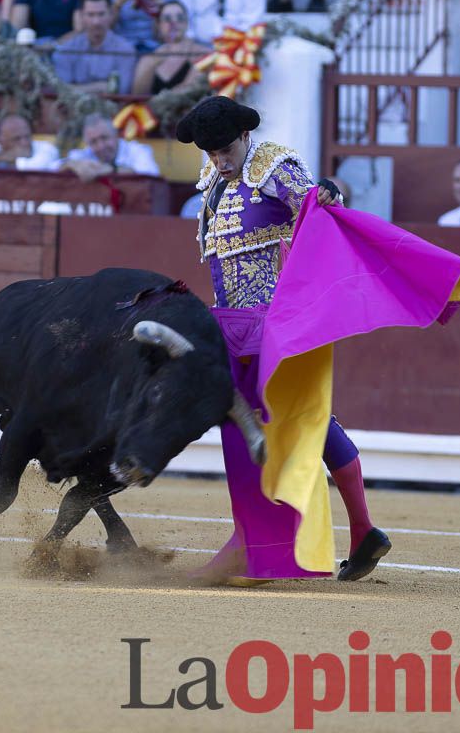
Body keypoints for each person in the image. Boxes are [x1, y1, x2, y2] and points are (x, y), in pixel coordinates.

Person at [174, 95, 401, 583]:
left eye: (225, 149)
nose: (219, 159)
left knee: (271, 425)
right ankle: (358, 530)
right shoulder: (214, 181)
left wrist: (328, 192)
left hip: (277, 320)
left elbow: (321, 209)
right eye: (211, 152)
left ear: (244, 135)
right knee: (294, 425)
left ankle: (256, 544)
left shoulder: (273, 166)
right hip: (233, 325)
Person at [50, 0, 135, 91]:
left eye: (101, 14)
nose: (96, 22)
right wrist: (102, 86)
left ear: (111, 14)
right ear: (81, 16)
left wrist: (79, 89)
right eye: (90, 15)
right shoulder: (65, 50)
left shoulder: (125, 50)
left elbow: (122, 91)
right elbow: (62, 91)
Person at [129, 0, 206, 93]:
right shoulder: (149, 59)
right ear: (159, 25)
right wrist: (152, 63)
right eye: (167, 19)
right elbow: (138, 95)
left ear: (187, 23)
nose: (174, 23)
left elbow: (191, 92)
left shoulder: (202, 54)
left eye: (180, 18)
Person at [61, 112, 159, 179]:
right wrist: (72, 165)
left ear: (116, 135)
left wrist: (111, 170)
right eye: (93, 142)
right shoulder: (85, 153)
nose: (101, 146)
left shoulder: (138, 151)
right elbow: (53, 167)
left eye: (104, 138)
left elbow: (150, 176)